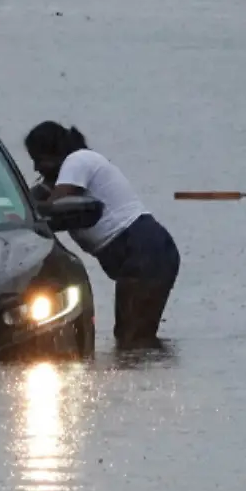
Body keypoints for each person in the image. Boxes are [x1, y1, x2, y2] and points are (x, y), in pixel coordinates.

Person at [24, 122, 180, 349]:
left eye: (39, 159)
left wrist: (25, 213)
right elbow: (38, 202)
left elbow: (52, 208)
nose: (37, 168)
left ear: (55, 152)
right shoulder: (74, 168)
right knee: (134, 338)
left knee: (132, 338)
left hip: (144, 250)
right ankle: (152, 376)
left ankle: (149, 380)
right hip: (149, 251)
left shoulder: (78, 160)